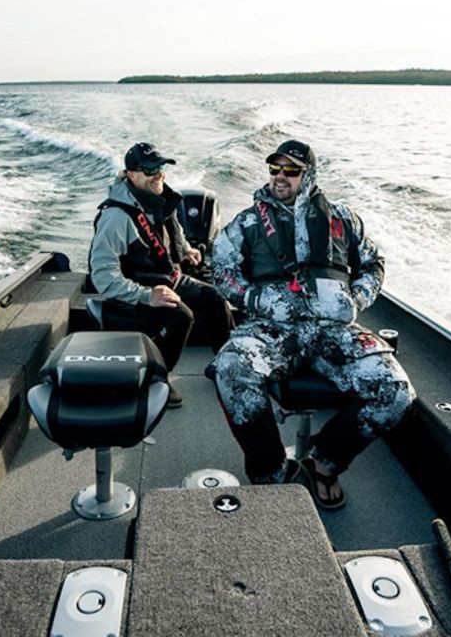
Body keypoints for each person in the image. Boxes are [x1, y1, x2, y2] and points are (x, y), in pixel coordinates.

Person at [209, 139, 415, 508]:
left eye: (291, 170)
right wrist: (254, 299)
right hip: (273, 329)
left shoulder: (343, 219)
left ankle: (325, 462)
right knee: (231, 368)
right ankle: (271, 473)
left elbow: (373, 263)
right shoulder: (247, 222)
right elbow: (221, 269)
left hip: (334, 331)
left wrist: (357, 298)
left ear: (309, 175)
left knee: (396, 391)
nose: (280, 176)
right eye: (275, 168)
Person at [89, 142, 234, 407]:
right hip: (136, 290)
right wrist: (148, 296)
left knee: (214, 299)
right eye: (149, 169)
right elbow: (103, 277)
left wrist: (186, 250)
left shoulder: (160, 199)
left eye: (160, 167)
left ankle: (227, 364)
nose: (158, 174)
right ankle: (155, 379)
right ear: (131, 174)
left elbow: (171, 234)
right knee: (180, 316)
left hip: (167, 278)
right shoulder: (116, 217)